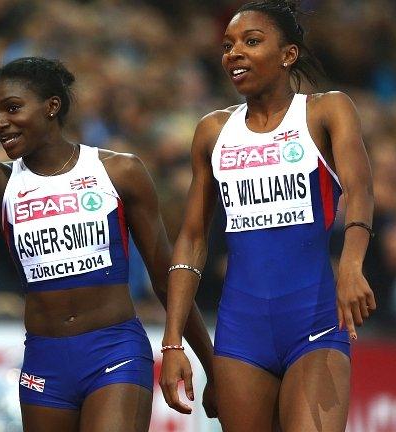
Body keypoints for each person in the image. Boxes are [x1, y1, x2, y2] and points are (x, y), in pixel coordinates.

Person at [0, 55, 217, 431]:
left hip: (114, 350)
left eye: (12, 108)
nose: (0, 123)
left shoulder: (118, 172)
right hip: (44, 361)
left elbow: (165, 275)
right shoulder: (2, 183)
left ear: (52, 106)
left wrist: (207, 363)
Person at [159, 1, 376, 431]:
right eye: (227, 45)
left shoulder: (325, 110)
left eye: (251, 41)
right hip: (241, 333)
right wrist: (171, 343)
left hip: (313, 322)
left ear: (287, 55)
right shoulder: (213, 131)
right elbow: (193, 238)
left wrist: (351, 265)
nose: (234, 53)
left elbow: (361, 190)